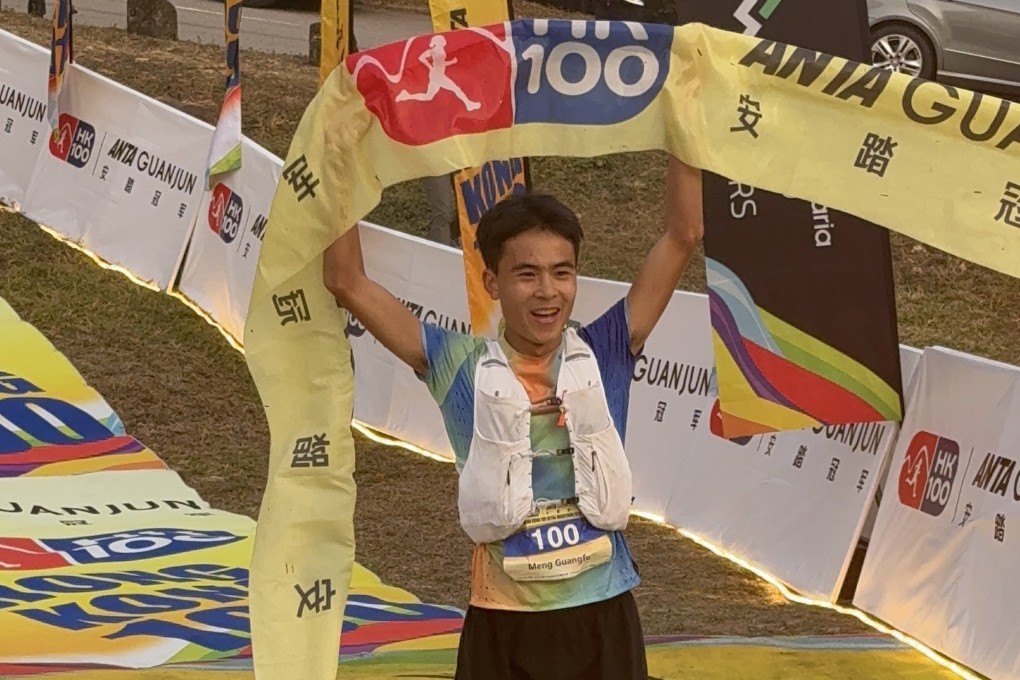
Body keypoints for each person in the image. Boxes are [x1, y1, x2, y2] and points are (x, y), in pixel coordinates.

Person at [323, 156, 704, 679]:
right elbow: (345, 281)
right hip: (505, 625)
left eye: (561, 272)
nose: (547, 291)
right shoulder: (458, 365)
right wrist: (336, 147)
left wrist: (687, 121)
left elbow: (684, 235)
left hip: (603, 618)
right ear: (493, 281)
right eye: (526, 274)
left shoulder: (607, 350)